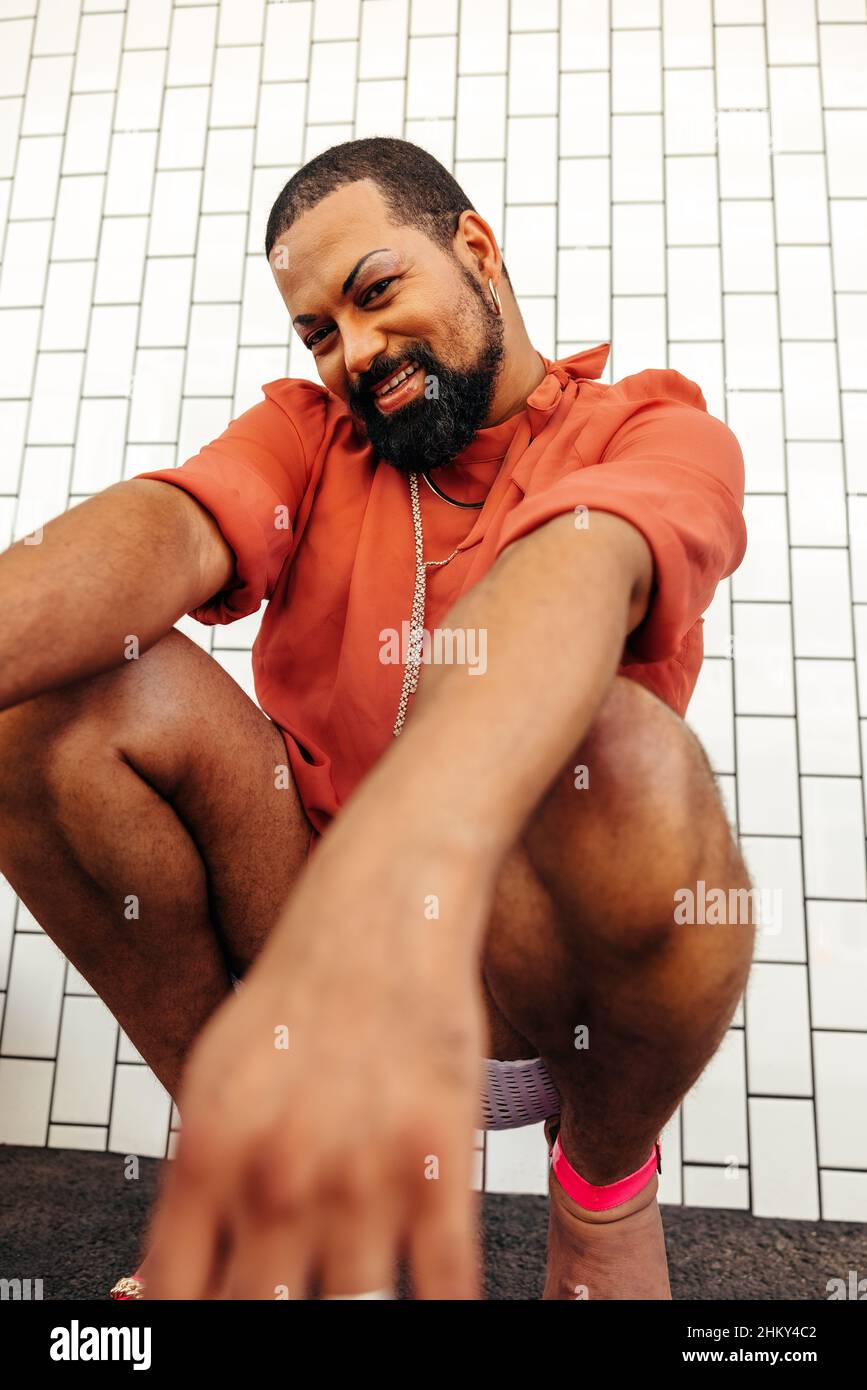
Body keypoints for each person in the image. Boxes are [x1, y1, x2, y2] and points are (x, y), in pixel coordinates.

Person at [0, 136, 754, 1301]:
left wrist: (414, 846)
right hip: (303, 927)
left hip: (514, 984)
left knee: (628, 757)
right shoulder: (316, 436)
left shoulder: (650, 433)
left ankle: (602, 1201)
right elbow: (167, 529)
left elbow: (580, 571)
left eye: (374, 292)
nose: (354, 353)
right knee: (54, 699)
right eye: (318, 332)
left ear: (476, 250)